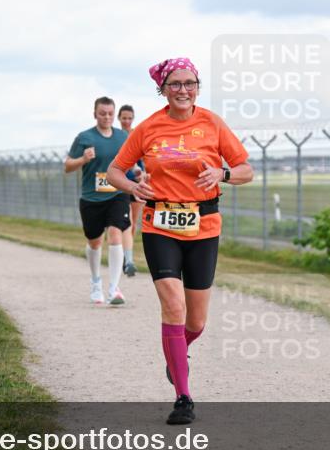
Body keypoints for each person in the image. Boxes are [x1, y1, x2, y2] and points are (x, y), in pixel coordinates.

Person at [107, 57, 253, 425]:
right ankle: (183, 397)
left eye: (190, 83)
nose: (183, 90)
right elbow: (114, 171)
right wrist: (131, 186)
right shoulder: (148, 128)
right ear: (163, 89)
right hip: (160, 224)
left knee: (196, 321)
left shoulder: (212, 123)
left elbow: (246, 170)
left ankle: (177, 355)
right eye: (175, 84)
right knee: (173, 305)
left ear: (198, 88)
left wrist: (223, 173)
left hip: (204, 226)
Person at [65, 97, 132, 305]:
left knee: (115, 233)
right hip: (91, 198)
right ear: (95, 114)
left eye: (110, 113)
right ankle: (96, 282)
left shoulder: (122, 137)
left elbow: (129, 163)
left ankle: (114, 288)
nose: (107, 117)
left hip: (117, 194)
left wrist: (138, 173)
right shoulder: (84, 137)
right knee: (95, 242)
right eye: (102, 113)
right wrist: (83, 159)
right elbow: (67, 166)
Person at [118, 104, 144, 277]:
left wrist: (143, 175)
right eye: (124, 118)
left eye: (129, 118)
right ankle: (126, 260)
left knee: (133, 223)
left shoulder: (137, 134)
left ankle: (127, 256)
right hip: (121, 183)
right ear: (119, 118)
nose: (127, 121)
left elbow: (144, 159)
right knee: (124, 221)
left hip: (137, 182)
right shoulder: (116, 136)